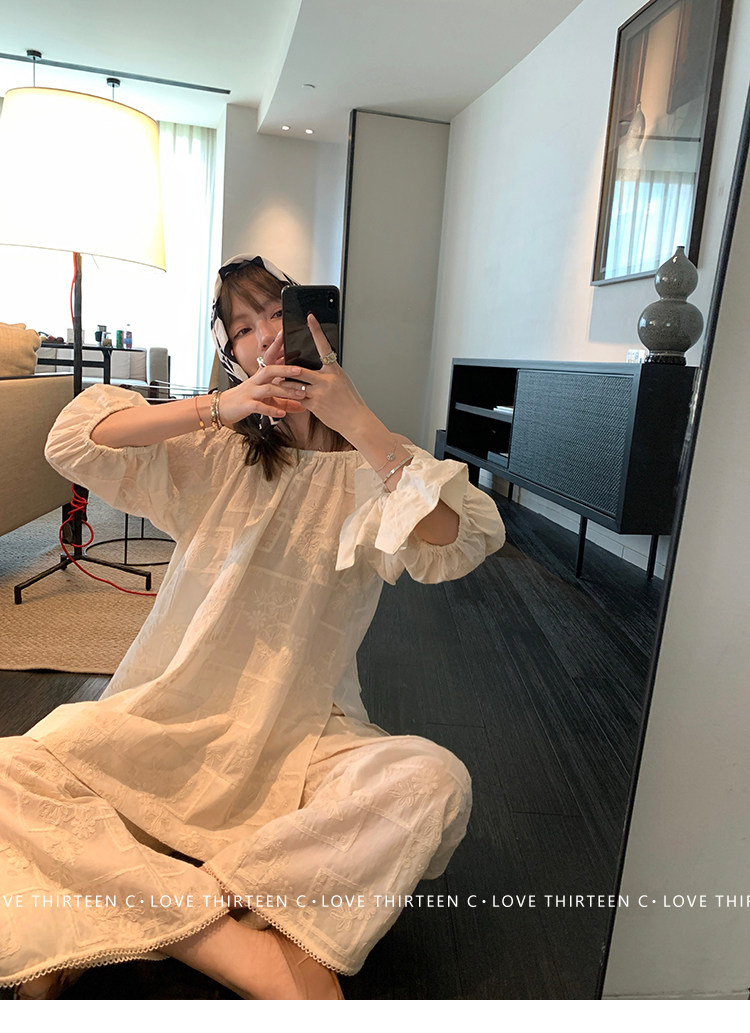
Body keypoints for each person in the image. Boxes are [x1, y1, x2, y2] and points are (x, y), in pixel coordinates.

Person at [0, 254, 505, 1000]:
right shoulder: (216, 448)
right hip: (170, 714)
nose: (266, 335)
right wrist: (222, 407)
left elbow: (456, 539)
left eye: (278, 312)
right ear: (231, 355)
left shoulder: (377, 468)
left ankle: (130, 904)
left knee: (431, 782)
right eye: (242, 328)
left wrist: (356, 420)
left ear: (316, 324)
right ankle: (229, 937)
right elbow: (75, 439)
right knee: (11, 772)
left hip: (301, 734)